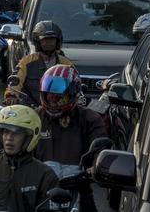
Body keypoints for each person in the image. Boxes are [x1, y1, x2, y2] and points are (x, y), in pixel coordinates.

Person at [34, 64, 107, 212]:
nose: (53, 101)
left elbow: (101, 150)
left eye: (59, 97)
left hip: (77, 189)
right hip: (38, 189)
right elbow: (18, 149)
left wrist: (93, 169)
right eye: (49, 96)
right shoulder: (33, 118)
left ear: (73, 94)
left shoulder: (90, 118)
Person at [4, 21, 74, 106]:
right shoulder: (26, 62)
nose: (48, 42)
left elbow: (75, 85)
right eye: (45, 40)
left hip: (59, 108)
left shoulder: (66, 63)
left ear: (57, 41)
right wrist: (11, 95)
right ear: (38, 42)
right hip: (32, 110)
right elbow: (15, 81)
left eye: (52, 39)